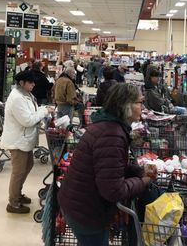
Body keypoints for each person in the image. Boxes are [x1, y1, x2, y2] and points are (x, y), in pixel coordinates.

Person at [58, 83, 152, 245]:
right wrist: (143, 181)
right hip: (86, 212)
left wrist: (138, 170)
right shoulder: (112, 135)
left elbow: (110, 167)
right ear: (126, 106)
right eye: (139, 102)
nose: (142, 107)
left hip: (78, 204)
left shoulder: (107, 126)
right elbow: (113, 191)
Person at [1, 70, 53, 214]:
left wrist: (43, 109)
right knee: (18, 172)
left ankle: (17, 194)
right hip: (18, 140)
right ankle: (13, 202)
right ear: (22, 83)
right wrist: (44, 112)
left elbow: (31, 112)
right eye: (30, 82)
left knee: (28, 166)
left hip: (24, 139)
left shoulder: (26, 94)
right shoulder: (17, 98)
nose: (33, 84)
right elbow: (27, 120)